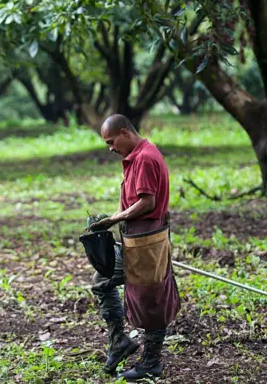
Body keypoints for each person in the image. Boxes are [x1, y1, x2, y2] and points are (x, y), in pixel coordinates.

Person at [89, 114, 180, 381]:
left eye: (111, 141)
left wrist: (113, 219)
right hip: (133, 240)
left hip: (147, 241)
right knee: (102, 280)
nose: (110, 148)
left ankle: (151, 363)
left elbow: (147, 203)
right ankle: (119, 341)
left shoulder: (145, 158)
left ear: (125, 132)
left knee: (152, 298)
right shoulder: (135, 157)